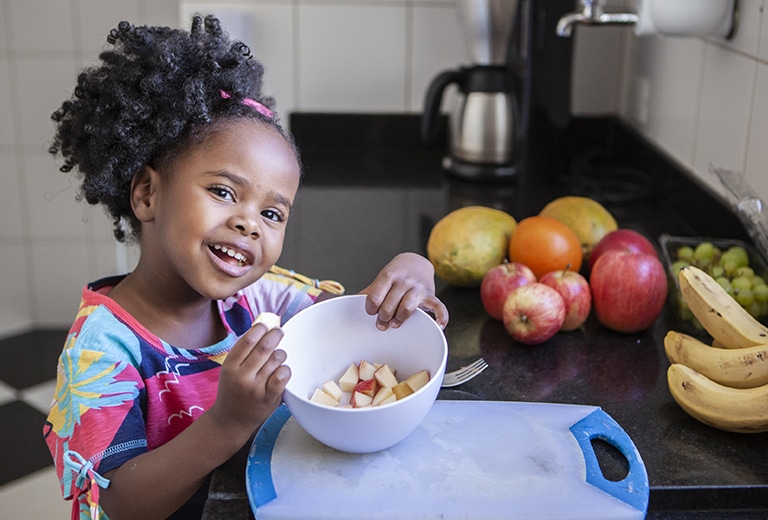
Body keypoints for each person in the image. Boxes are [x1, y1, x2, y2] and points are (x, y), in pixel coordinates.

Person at [43, 15, 449, 520]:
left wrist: (410, 273)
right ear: (148, 194)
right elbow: (121, 503)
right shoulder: (102, 349)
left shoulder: (262, 299)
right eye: (222, 191)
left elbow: (352, 325)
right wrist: (228, 423)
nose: (249, 224)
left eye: (272, 213)